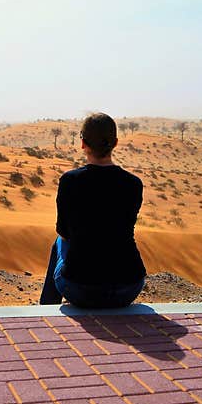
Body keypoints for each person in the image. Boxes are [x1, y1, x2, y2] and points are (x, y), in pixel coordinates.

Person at [39, 112, 146, 308]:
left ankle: (46, 311)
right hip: (129, 287)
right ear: (115, 143)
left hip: (80, 288)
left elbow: (63, 232)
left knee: (59, 242)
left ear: (83, 144)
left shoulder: (70, 181)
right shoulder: (134, 184)